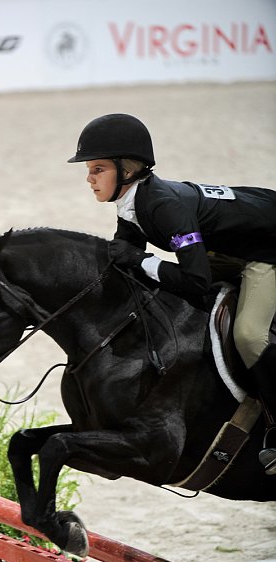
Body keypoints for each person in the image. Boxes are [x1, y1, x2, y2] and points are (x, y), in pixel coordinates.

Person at [68, 113, 276, 475]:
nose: (89, 178)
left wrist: (144, 261)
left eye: (97, 168)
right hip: (225, 251)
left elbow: (194, 280)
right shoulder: (132, 201)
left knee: (247, 334)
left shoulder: (163, 206)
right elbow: (124, 251)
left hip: (264, 252)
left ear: (127, 169)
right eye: (89, 169)